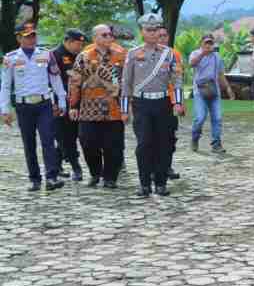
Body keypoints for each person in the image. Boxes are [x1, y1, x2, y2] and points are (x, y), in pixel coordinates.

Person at [121, 13, 185, 197]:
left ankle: (161, 183)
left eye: (156, 29)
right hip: (141, 103)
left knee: (164, 144)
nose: (153, 33)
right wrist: (124, 109)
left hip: (163, 103)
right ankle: (144, 184)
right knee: (144, 144)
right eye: (149, 30)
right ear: (142, 32)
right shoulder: (133, 54)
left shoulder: (169, 54)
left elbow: (177, 80)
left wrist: (178, 102)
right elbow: (126, 83)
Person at [0, 22, 67, 191]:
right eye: (27, 36)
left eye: (33, 35)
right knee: (28, 143)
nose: (31, 39)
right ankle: (34, 179)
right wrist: (5, 110)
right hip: (23, 106)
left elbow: (55, 79)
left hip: (44, 104)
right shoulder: (11, 58)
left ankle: (51, 177)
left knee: (48, 140)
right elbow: (6, 86)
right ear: (18, 38)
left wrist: (62, 101)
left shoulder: (46, 55)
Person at [68, 24, 127, 188]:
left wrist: (127, 106)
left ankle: (110, 177)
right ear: (95, 38)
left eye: (110, 35)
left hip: (113, 108)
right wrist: (73, 105)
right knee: (87, 142)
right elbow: (74, 82)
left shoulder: (121, 56)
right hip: (89, 109)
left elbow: (126, 82)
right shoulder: (84, 56)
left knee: (113, 146)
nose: (109, 38)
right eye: (105, 35)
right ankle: (95, 173)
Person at [52, 29, 87, 181]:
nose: (80, 47)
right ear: (68, 41)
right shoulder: (55, 55)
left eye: (81, 44)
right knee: (66, 136)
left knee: (70, 134)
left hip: (78, 101)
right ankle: (76, 166)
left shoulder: (81, 57)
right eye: (77, 44)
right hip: (61, 103)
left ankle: (56, 165)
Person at [190, 34, 234, 153]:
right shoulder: (195, 53)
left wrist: (228, 88)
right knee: (200, 118)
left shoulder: (217, 57)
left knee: (217, 118)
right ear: (201, 43)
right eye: (206, 43)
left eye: (210, 43)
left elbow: (220, 74)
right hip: (199, 91)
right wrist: (202, 53)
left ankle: (216, 143)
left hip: (214, 90)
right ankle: (195, 138)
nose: (209, 45)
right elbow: (192, 64)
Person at [159, 27, 182, 181]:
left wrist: (178, 102)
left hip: (170, 100)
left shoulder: (174, 54)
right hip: (150, 100)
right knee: (151, 137)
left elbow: (178, 79)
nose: (161, 38)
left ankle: (167, 166)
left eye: (164, 35)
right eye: (158, 35)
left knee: (169, 137)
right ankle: (154, 168)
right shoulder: (142, 54)